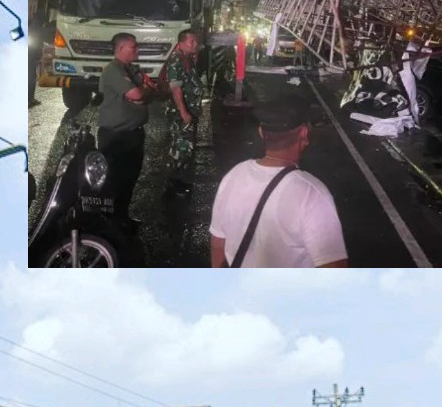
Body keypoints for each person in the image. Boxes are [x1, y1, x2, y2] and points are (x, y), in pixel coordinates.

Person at [210, 96, 348, 268]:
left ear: (261, 132)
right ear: (304, 133)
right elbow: (333, 270)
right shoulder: (312, 194)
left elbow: (218, 244)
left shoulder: (233, 175)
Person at [97, 33, 158, 231]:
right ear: (121, 48)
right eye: (133, 47)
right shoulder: (113, 70)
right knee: (113, 180)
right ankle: (107, 224)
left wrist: (144, 93)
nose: (137, 50)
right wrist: (143, 92)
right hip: (116, 135)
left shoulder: (131, 69)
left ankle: (121, 217)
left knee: (129, 178)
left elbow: (148, 91)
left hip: (133, 133)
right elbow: (138, 94)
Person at [163, 29, 204, 197]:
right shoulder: (176, 61)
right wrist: (183, 112)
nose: (195, 45)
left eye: (196, 42)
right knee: (181, 147)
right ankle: (173, 182)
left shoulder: (186, 59)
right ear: (180, 43)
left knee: (186, 147)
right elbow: (175, 88)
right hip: (181, 113)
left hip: (189, 110)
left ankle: (179, 179)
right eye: (191, 42)